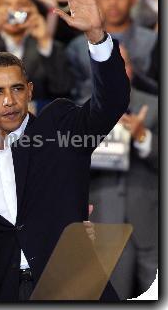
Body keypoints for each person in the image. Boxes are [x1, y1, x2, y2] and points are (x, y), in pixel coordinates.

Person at [0, 0, 130, 300]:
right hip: (12, 293)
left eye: (16, 89)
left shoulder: (59, 126)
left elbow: (110, 103)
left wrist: (97, 36)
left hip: (75, 287)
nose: (9, 100)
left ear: (29, 91)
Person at [89, 46, 158, 299]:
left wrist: (142, 136)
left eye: (122, 65)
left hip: (151, 219)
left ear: (132, 69)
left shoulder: (156, 106)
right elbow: (70, 165)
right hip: (106, 220)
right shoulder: (81, 112)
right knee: (112, 296)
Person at [66, 0, 157, 105]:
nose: (113, 2)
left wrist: (129, 71)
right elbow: (71, 94)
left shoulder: (153, 41)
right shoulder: (78, 47)